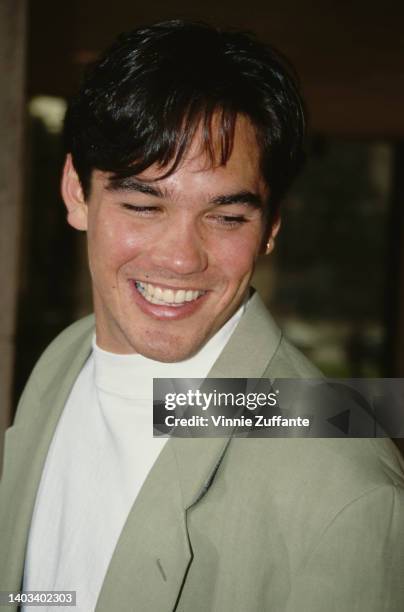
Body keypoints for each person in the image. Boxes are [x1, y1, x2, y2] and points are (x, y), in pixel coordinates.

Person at [1, 20, 403, 612]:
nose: (180, 258)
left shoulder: (352, 494)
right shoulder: (67, 356)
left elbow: (329, 418)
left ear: (270, 228)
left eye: (227, 217)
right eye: (142, 205)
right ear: (76, 194)